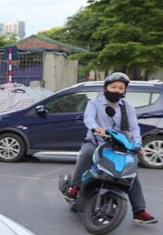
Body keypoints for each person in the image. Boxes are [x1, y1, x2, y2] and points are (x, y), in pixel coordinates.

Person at [63, 72, 156, 224]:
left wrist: (137, 144)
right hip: (96, 141)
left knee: (130, 170)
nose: (117, 90)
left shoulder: (128, 107)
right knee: (86, 154)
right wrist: (96, 128)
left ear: (124, 91)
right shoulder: (94, 104)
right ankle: (74, 187)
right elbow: (88, 118)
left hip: (119, 144)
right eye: (114, 87)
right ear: (106, 87)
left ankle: (139, 211)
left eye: (121, 88)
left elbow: (134, 127)